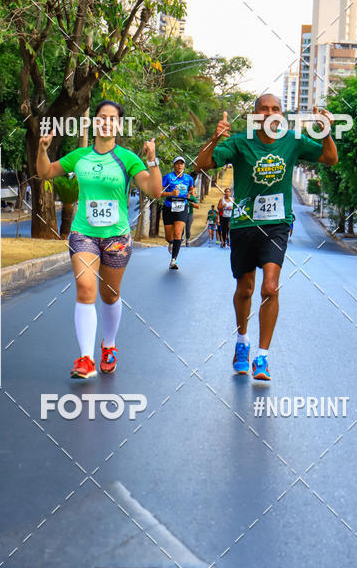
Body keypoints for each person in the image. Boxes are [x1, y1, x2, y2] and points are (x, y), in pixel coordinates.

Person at [195, 94, 338, 381]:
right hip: (243, 224)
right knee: (245, 289)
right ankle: (242, 342)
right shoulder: (240, 142)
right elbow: (201, 165)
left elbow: (330, 158)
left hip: (277, 224)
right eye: (264, 109)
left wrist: (325, 132)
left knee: (270, 288)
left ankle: (262, 357)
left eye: (276, 109)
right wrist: (214, 139)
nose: (270, 113)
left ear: (281, 115)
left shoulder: (292, 140)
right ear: (255, 115)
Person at [37, 99, 162, 378]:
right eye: (101, 117)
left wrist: (152, 160)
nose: (106, 122)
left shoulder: (127, 158)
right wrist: (42, 150)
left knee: (110, 294)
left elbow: (154, 191)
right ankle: (85, 359)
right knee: (85, 288)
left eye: (112, 119)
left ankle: (109, 345)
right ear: (94, 122)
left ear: (119, 125)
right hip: (84, 233)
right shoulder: (79, 156)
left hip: (116, 237)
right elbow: (45, 172)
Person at [161, 156, 195, 269]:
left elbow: (191, 189)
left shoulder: (189, 178)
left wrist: (190, 194)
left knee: (177, 233)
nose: (179, 165)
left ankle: (173, 260)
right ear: (174, 165)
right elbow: (159, 192)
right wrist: (171, 194)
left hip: (182, 207)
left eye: (181, 163)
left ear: (184, 165)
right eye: (177, 163)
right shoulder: (168, 177)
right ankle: (171, 243)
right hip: (168, 207)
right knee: (169, 237)